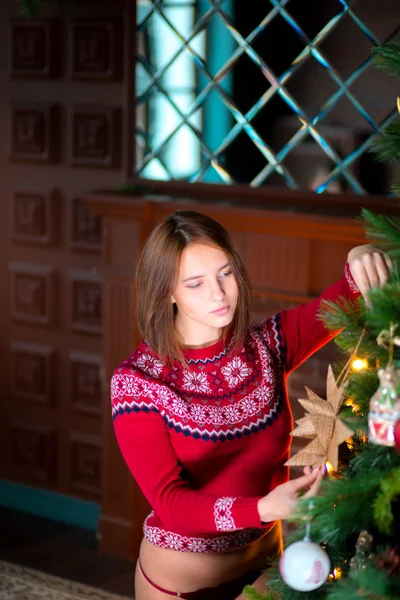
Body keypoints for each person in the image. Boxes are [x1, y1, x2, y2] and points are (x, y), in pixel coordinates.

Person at [110, 210, 390, 600]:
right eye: (195, 283)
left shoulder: (267, 346)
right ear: (167, 292)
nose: (218, 293)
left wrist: (363, 251)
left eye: (225, 273)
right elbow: (170, 502)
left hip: (269, 567)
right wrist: (262, 508)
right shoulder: (138, 384)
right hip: (179, 584)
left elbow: (345, 295)